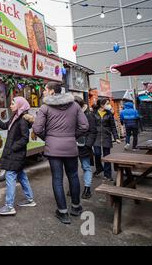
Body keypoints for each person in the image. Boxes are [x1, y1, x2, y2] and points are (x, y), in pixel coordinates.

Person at [32, 82, 89, 224]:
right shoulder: (75, 105)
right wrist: (72, 137)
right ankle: (76, 207)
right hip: (70, 147)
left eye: (45, 90)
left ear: (51, 91)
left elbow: (37, 129)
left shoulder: (45, 107)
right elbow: (84, 126)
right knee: (74, 176)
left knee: (57, 178)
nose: (43, 92)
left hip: (53, 149)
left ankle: (62, 212)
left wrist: (49, 139)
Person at [0, 96, 36, 216]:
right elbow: (4, 126)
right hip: (16, 154)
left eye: (13, 103)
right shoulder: (15, 117)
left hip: (16, 154)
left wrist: (13, 147)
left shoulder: (22, 121)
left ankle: (9, 206)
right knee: (22, 176)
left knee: (10, 175)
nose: (10, 105)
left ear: (19, 105)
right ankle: (30, 200)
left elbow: (25, 139)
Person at [74, 96, 97, 199]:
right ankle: (73, 187)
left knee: (86, 167)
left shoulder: (88, 115)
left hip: (84, 146)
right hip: (71, 146)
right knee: (72, 168)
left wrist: (88, 144)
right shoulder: (70, 115)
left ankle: (87, 188)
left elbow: (93, 131)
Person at [93, 98, 121, 181]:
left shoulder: (109, 114)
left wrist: (116, 137)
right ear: (102, 105)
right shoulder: (93, 113)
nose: (109, 105)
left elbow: (113, 126)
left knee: (107, 156)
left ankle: (107, 175)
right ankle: (99, 168)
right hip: (96, 137)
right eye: (107, 103)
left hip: (106, 136)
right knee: (97, 154)